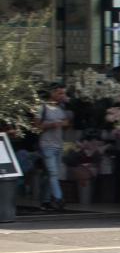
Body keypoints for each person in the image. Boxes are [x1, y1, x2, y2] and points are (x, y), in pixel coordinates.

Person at [33, 83, 70, 211]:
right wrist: (49, 126)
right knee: (53, 173)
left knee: (52, 174)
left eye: (63, 93)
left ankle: (45, 200)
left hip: (58, 145)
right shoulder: (42, 107)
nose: (62, 96)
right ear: (52, 94)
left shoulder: (61, 107)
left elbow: (65, 123)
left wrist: (65, 124)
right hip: (47, 145)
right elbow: (35, 126)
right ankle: (59, 199)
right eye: (60, 93)